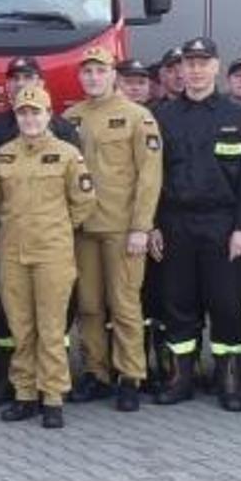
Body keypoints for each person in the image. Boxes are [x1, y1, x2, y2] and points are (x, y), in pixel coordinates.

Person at [150, 37, 241, 411]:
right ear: (180, 70)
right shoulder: (162, 117)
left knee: (226, 303)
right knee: (177, 303)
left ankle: (227, 380)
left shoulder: (239, 118)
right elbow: (151, 177)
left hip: (222, 224)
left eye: (203, 63)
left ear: (217, 68)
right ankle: (181, 377)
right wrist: (152, 224)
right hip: (175, 221)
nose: (195, 70)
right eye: (190, 63)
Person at [63, 47, 163, 411]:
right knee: (88, 306)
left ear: (113, 76)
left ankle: (130, 376)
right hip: (83, 228)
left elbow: (149, 177)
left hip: (122, 228)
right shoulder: (70, 117)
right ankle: (96, 373)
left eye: (99, 71)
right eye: (86, 72)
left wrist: (142, 226)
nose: (92, 78)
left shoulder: (138, 117)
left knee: (124, 305)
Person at [0, 86, 96, 428]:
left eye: (36, 112)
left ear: (49, 115)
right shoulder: (3, 156)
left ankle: (52, 396)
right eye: (23, 113)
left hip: (52, 253)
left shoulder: (68, 155)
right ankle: (25, 394)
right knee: (21, 328)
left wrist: (58, 229)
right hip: (12, 253)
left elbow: (83, 202)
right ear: (17, 116)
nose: (30, 119)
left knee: (51, 328)